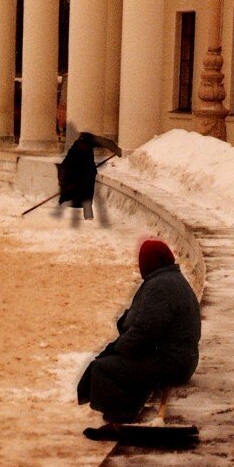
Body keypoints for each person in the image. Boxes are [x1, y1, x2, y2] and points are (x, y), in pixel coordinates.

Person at [76, 238, 201, 433]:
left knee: (103, 367)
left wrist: (118, 349)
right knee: (112, 362)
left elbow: (144, 331)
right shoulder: (170, 279)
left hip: (174, 364)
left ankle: (120, 418)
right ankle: (125, 410)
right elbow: (144, 325)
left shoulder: (160, 286)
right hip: (181, 359)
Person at [58, 132, 99, 220]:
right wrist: (67, 182)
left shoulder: (88, 148)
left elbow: (89, 162)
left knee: (87, 196)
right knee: (75, 196)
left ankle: (88, 216)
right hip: (77, 177)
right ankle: (61, 213)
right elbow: (65, 166)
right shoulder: (75, 150)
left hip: (87, 177)